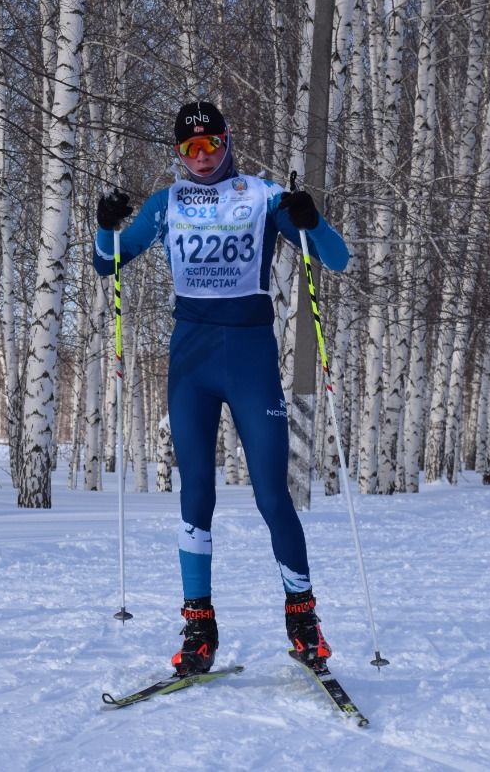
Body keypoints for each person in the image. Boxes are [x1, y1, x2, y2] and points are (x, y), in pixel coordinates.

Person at [92, 100, 350, 676]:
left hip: (251, 357)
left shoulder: (260, 197)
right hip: (191, 364)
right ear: (179, 154)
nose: (202, 158)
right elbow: (107, 263)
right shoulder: (168, 204)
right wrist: (104, 221)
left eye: (210, 145)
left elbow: (336, 259)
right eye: (190, 149)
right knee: (195, 498)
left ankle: (303, 619)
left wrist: (311, 218)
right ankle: (199, 627)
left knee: (271, 497)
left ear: (228, 141)